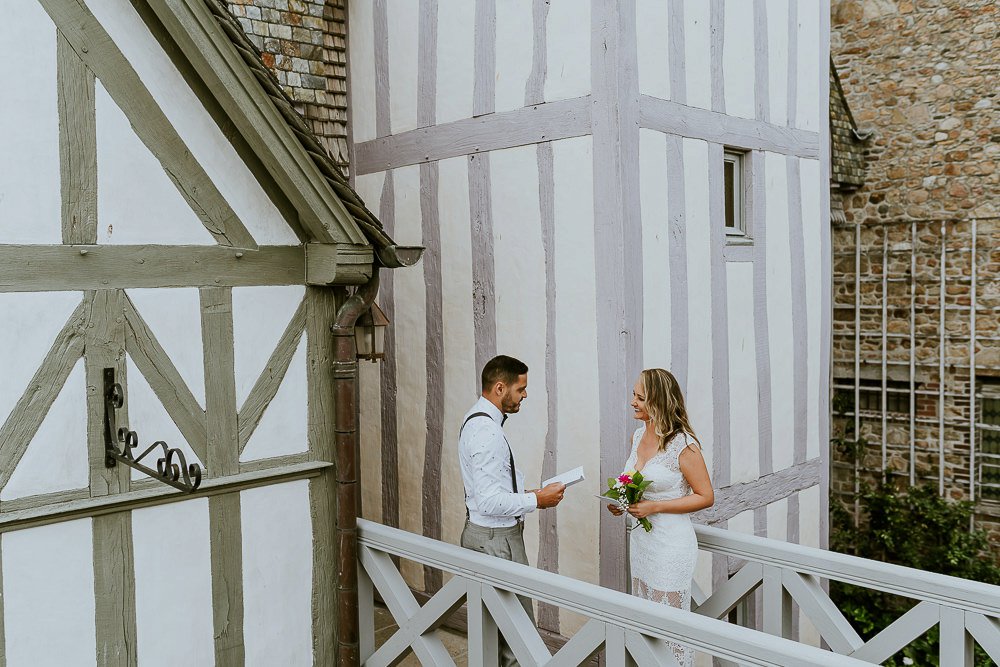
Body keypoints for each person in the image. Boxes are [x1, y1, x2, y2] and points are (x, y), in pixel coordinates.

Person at [459, 354, 565, 667]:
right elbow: (490, 501)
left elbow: (488, 493)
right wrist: (538, 501)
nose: (525, 395)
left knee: (494, 636)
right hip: (497, 541)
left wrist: (530, 493)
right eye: (521, 389)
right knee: (518, 640)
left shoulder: (476, 420)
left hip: (484, 535)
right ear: (500, 388)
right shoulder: (488, 434)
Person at [606, 368, 714, 667]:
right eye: (634, 395)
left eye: (641, 397)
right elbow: (632, 482)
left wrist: (655, 508)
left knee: (669, 628)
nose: (633, 402)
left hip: (670, 546)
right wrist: (619, 502)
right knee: (645, 623)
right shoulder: (638, 435)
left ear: (659, 401)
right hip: (642, 542)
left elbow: (705, 496)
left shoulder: (683, 444)